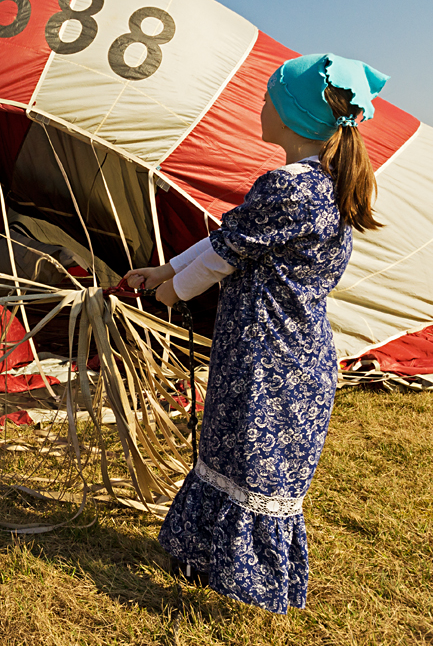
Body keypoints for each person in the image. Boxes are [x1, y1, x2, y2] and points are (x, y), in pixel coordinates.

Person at [126, 53, 388, 614]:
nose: (261, 106)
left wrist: (174, 292)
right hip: (286, 353)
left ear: (292, 115)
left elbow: (223, 255)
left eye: (269, 98)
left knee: (250, 460)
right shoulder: (322, 185)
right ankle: (206, 559)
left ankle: (246, 585)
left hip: (268, 357)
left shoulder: (287, 188)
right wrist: (165, 270)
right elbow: (230, 238)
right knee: (234, 452)